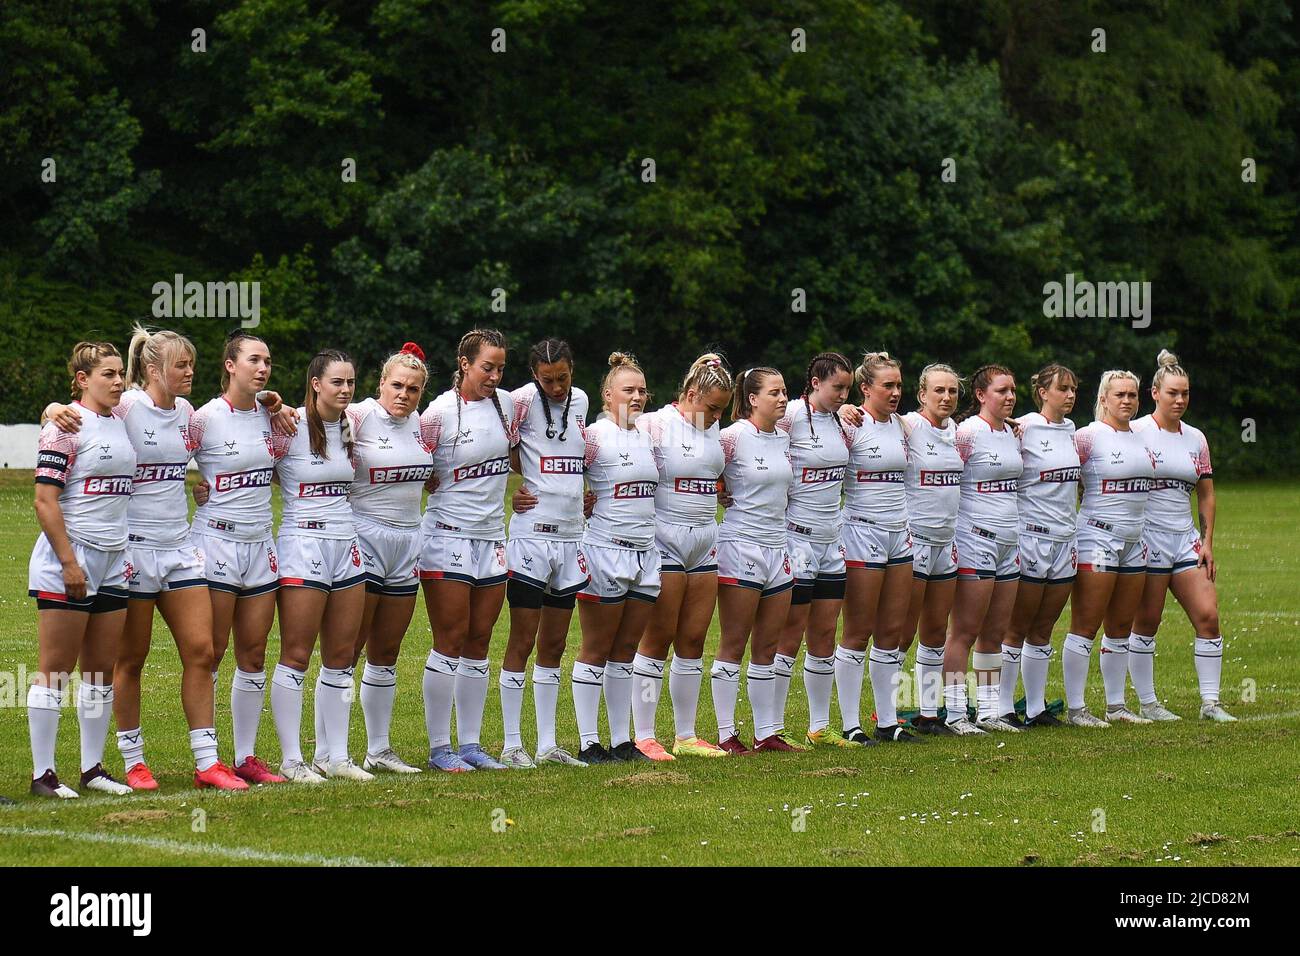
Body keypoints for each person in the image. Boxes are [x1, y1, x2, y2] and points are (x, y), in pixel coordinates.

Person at [42, 327, 247, 790]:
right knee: (129, 659)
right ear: (154, 369)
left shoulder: (189, 414)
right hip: (131, 550)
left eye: (192, 363)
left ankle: (207, 762)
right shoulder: (126, 406)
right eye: (182, 365)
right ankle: (133, 760)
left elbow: (219, 440)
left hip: (179, 549)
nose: (191, 371)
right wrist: (52, 408)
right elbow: (76, 415)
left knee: (203, 650)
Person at [28, 343, 137, 797]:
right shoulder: (65, 426)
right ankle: (43, 775)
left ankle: (92, 769)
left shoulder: (122, 417)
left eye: (120, 374)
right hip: (69, 560)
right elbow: (43, 500)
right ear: (82, 379)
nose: (117, 382)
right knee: (55, 669)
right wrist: (70, 562)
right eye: (107, 374)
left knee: (99, 671)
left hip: (115, 559)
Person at [189, 331, 291, 783]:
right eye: (253, 359)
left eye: (267, 361)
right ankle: (207, 760)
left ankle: (246, 757)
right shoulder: (204, 418)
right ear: (230, 365)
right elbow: (159, 462)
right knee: (211, 653)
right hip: (216, 545)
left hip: (260, 545)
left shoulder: (275, 417)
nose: (263, 368)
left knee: (253, 653)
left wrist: (276, 404)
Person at [267, 350, 374, 782]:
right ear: (315, 384)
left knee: (342, 657)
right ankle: (292, 760)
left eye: (350, 383)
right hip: (302, 543)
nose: (346, 390)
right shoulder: (286, 424)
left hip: (346, 545)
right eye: (337, 383)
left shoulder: (353, 426)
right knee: (296, 654)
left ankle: (336, 756)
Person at [418, 329, 515, 771]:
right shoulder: (438, 413)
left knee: (479, 640)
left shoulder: (511, 405)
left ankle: (472, 745)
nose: (494, 375)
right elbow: (406, 458)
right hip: (447, 536)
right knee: (450, 638)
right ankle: (441, 748)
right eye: (486, 367)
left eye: (499, 368)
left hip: (492, 538)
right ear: (464, 363)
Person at [629, 354, 733, 759]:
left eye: (722, 409)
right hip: (664, 538)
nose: (718, 415)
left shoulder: (715, 425)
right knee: (658, 638)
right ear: (691, 395)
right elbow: (614, 447)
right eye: (712, 407)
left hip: (705, 538)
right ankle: (644, 734)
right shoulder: (655, 424)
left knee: (693, 639)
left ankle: (686, 735)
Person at [498, 338, 592, 767]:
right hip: (531, 536)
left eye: (563, 378)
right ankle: (512, 744)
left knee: (554, 643)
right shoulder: (517, 401)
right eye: (547, 379)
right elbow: (502, 448)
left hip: (572, 538)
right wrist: (518, 491)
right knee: (522, 639)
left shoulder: (583, 401)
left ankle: (548, 744)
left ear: (573, 370)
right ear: (534, 375)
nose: (556, 387)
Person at [1130, 350, 1236, 721]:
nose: (1179, 400)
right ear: (1154, 393)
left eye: (1185, 394)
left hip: (1185, 539)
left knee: (1208, 615)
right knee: (1147, 620)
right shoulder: (1137, 431)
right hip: (1147, 540)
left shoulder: (1196, 439)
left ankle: (1210, 703)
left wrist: (1206, 543)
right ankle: (1148, 703)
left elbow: (1206, 492)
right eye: (1173, 393)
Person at [343, 343, 433, 773]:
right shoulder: (358, 417)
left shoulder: (420, 424)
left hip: (407, 542)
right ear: (381, 384)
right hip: (364, 537)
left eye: (413, 388)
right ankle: (333, 751)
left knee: (387, 650)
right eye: (396, 385)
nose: (404, 394)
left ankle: (378, 749)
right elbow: (313, 440)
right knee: (350, 647)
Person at [571, 353, 660, 763]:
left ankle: (623, 741)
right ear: (608, 395)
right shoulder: (593, 436)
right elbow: (564, 480)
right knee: (597, 646)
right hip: (605, 551)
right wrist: (580, 504)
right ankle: (589, 742)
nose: (638, 396)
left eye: (642, 390)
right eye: (629, 390)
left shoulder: (648, 435)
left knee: (626, 649)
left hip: (645, 554)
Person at [712, 367, 798, 754]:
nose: (783, 399)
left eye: (785, 392)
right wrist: (717, 491)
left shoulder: (784, 437)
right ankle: (726, 734)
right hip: (740, 546)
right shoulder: (731, 438)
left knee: (768, 645)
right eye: (775, 393)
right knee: (734, 642)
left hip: (778, 548)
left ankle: (766, 733)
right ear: (751, 398)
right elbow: (703, 472)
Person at [1063, 370, 1156, 727]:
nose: (1127, 401)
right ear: (1103, 398)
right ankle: (1075, 709)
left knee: (1120, 625)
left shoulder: (1143, 437)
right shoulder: (1086, 436)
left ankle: (1116, 706)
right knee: (1086, 623)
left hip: (1135, 541)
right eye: (1119, 395)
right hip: (1098, 540)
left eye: (1132, 395)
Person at [772, 353, 853, 748]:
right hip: (796, 539)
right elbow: (751, 436)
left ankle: (820, 727)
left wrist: (849, 406)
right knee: (789, 634)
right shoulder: (789, 415)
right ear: (816, 382)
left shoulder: (844, 420)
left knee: (824, 633)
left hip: (831, 541)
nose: (842, 394)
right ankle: (772, 727)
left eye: (847, 389)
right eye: (837, 387)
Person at [945, 365, 1025, 735]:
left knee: (995, 632)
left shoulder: (1012, 433)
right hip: (975, 540)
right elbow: (945, 482)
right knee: (964, 630)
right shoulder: (966, 434)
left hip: (1010, 542)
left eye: (1012, 390)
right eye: (1001, 391)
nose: (1009, 397)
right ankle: (955, 713)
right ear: (980, 395)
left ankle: (989, 712)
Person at [1004, 363, 1081, 728]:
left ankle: (1035, 708)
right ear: (1043, 392)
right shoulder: (1022, 428)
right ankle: (1003, 707)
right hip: (1031, 538)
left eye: (1073, 389)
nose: (1070, 395)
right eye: (1063, 388)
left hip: (1065, 539)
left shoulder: (1072, 430)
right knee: (1016, 626)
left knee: (1044, 627)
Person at [895, 364, 964, 736]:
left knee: (936, 631)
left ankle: (928, 713)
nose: (946, 398)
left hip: (946, 542)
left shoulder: (959, 432)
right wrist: (846, 409)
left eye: (952, 391)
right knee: (902, 633)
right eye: (939, 391)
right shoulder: (906, 425)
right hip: (914, 540)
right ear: (922, 395)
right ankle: (886, 714)